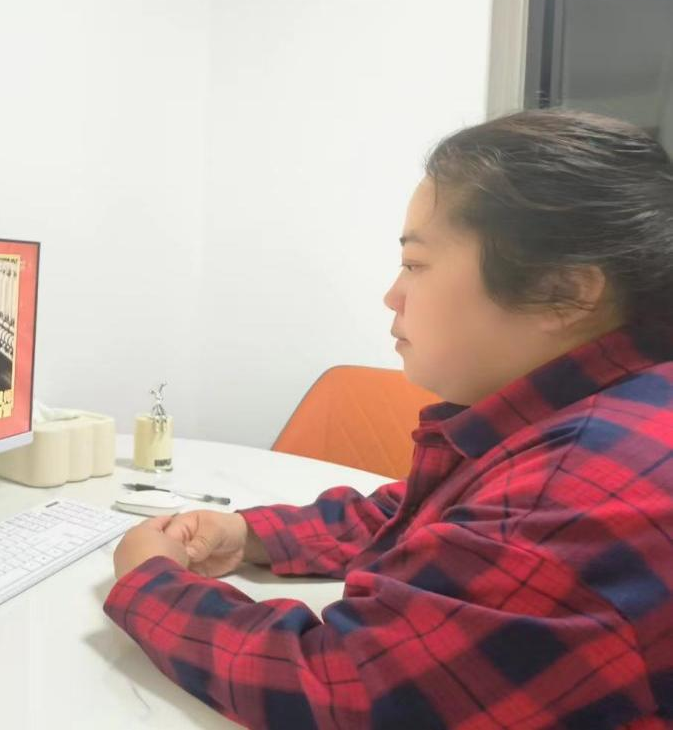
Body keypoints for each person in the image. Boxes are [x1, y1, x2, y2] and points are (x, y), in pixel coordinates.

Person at [106, 109, 673, 728]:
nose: (392, 295)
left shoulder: (575, 488)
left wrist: (151, 580)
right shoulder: (609, 410)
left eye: (416, 264)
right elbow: (436, 517)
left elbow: (345, 688)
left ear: (565, 293)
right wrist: (252, 534)